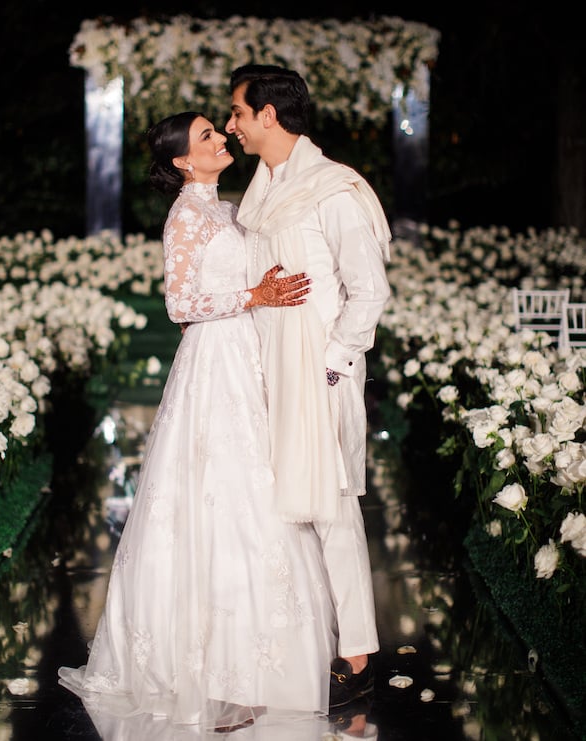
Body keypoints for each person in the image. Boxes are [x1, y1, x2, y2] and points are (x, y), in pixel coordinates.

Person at [58, 111, 339, 733]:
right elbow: (180, 304)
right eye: (207, 137)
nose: (220, 140)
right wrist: (252, 297)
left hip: (247, 355)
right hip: (215, 365)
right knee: (220, 501)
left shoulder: (227, 207)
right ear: (184, 161)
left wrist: (263, 298)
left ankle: (262, 666)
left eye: (219, 130)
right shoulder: (186, 216)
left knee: (260, 497)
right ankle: (211, 673)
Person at [225, 64, 392, 709]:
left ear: (270, 115)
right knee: (275, 504)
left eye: (238, 112)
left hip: (319, 371)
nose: (233, 124)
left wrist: (332, 363)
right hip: (262, 363)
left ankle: (357, 651)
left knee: (331, 508)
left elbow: (368, 290)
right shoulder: (260, 189)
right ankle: (291, 640)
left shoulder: (333, 189)